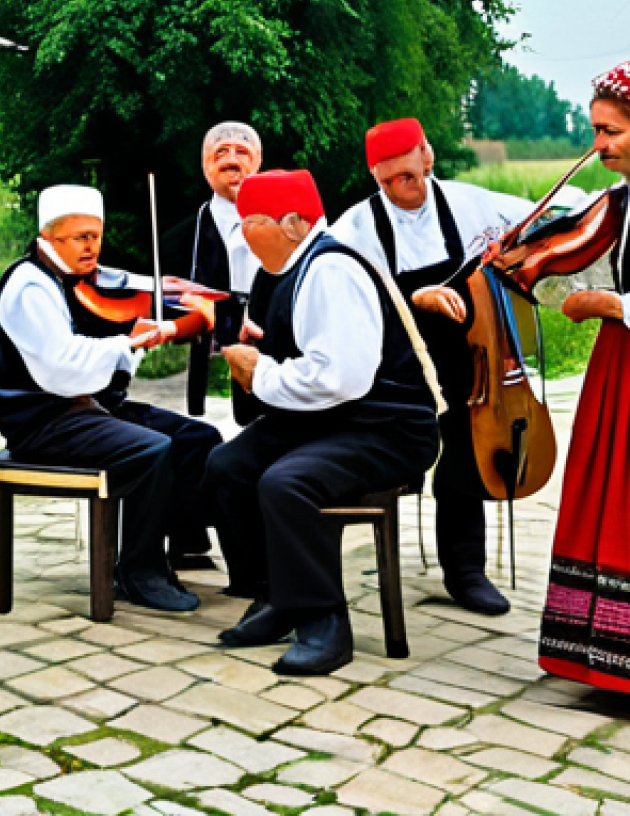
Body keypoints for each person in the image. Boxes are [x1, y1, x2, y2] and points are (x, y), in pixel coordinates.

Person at [207, 170, 440, 675]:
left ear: (292, 224)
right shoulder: (287, 269)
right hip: (331, 420)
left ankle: (325, 622)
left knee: (286, 482)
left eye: (253, 222)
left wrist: (261, 370)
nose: (244, 234)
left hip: (387, 428)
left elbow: (340, 378)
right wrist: (262, 353)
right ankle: (275, 598)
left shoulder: (332, 270)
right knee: (227, 466)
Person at [331, 118, 535, 616]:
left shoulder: (473, 204)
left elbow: (546, 227)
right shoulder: (355, 226)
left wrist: (522, 255)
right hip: (394, 362)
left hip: (467, 354)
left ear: (428, 156)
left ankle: (466, 571)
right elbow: (339, 293)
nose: (400, 189)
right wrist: (412, 298)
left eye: (408, 175)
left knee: (465, 455)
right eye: (385, 181)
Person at [0, 184, 222, 612]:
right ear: (49, 237)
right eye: (80, 238)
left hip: (89, 407)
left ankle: (181, 545)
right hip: (42, 418)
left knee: (198, 438)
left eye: (96, 236)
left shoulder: (79, 278)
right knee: (152, 449)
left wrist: (162, 327)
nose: (92, 247)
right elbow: (60, 368)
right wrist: (126, 344)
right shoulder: (29, 286)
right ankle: (138, 571)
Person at [537, 60, 630, 692]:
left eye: (612, 132)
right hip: (616, 367)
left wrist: (614, 305)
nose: (599, 145)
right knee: (604, 491)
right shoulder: (619, 201)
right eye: (596, 130)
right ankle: (597, 654)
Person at [168, 122, 262, 422]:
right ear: (206, 164)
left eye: (242, 152)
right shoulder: (179, 238)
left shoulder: (284, 227)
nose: (232, 161)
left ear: (258, 162)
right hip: (205, 366)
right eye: (221, 152)